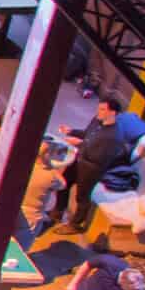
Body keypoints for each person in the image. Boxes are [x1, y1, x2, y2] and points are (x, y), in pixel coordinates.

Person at [58, 99, 130, 233]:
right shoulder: (97, 120)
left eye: (102, 110)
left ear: (112, 112)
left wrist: (79, 144)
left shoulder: (115, 136)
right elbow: (87, 135)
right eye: (99, 108)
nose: (98, 112)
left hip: (92, 168)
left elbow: (99, 156)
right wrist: (71, 131)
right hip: (80, 159)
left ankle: (75, 224)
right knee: (63, 183)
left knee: (82, 196)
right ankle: (57, 211)